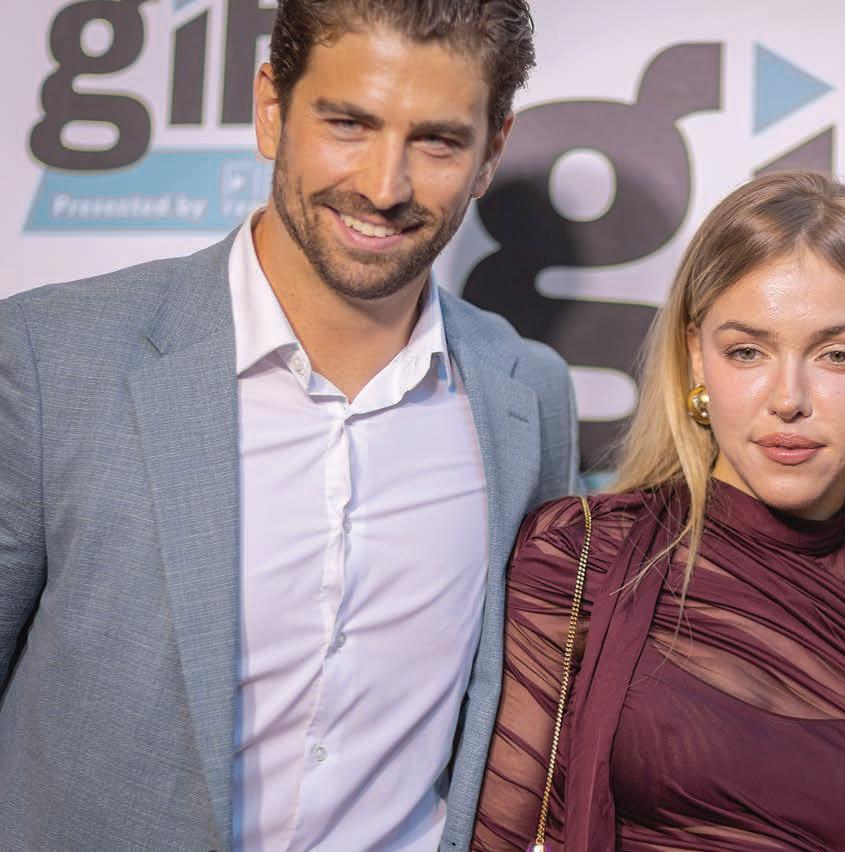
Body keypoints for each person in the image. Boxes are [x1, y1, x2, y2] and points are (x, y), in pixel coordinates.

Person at [0, 2, 576, 849]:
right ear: (271, 108)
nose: (385, 186)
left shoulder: (528, 396)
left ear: (491, 151)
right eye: (349, 124)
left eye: (437, 142)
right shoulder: (53, 359)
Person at [469, 170, 845, 850]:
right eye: (747, 352)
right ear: (697, 357)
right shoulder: (584, 553)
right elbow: (501, 834)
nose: (788, 399)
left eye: (837, 356)